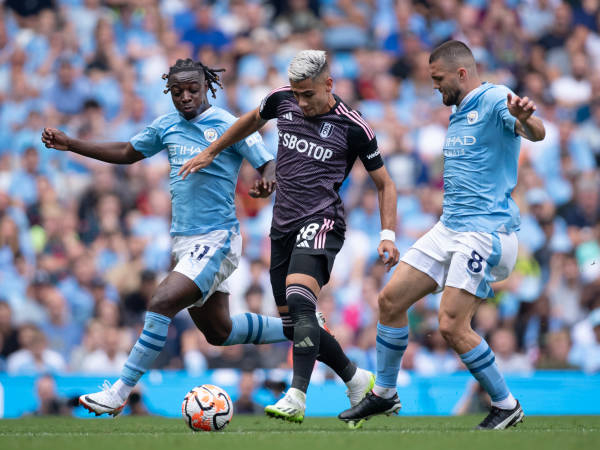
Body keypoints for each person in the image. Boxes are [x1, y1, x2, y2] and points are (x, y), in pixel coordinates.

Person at [41, 58, 288, 417]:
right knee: (219, 332)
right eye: (177, 91)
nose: (185, 97)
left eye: (192, 90)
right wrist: (72, 144)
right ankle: (299, 327)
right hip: (185, 242)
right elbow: (128, 153)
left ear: (207, 88)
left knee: (161, 302)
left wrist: (266, 180)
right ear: (169, 92)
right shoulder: (167, 125)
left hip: (217, 238)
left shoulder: (226, 124)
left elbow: (266, 161)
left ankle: (120, 391)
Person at [179, 50, 400, 423]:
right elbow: (250, 120)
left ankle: (296, 395)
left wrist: (388, 234)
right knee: (295, 322)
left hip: (323, 221)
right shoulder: (282, 99)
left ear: (328, 84)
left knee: (301, 301)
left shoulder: (354, 126)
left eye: (308, 94)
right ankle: (357, 378)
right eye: (296, 94)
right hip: (282, 226)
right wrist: (212, 151)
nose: (300, 102)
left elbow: (385, 184)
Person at [338, 40, 545, 430]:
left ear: (461, 73)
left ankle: (506, 403)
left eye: (438, 79)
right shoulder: (459, 111)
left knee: (451, 325)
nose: (434, 86)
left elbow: (535, 131)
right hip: (449, 227)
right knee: (390, 300)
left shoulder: (495, 98)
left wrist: (528, 119)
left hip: (485, 232)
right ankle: (384, 393)